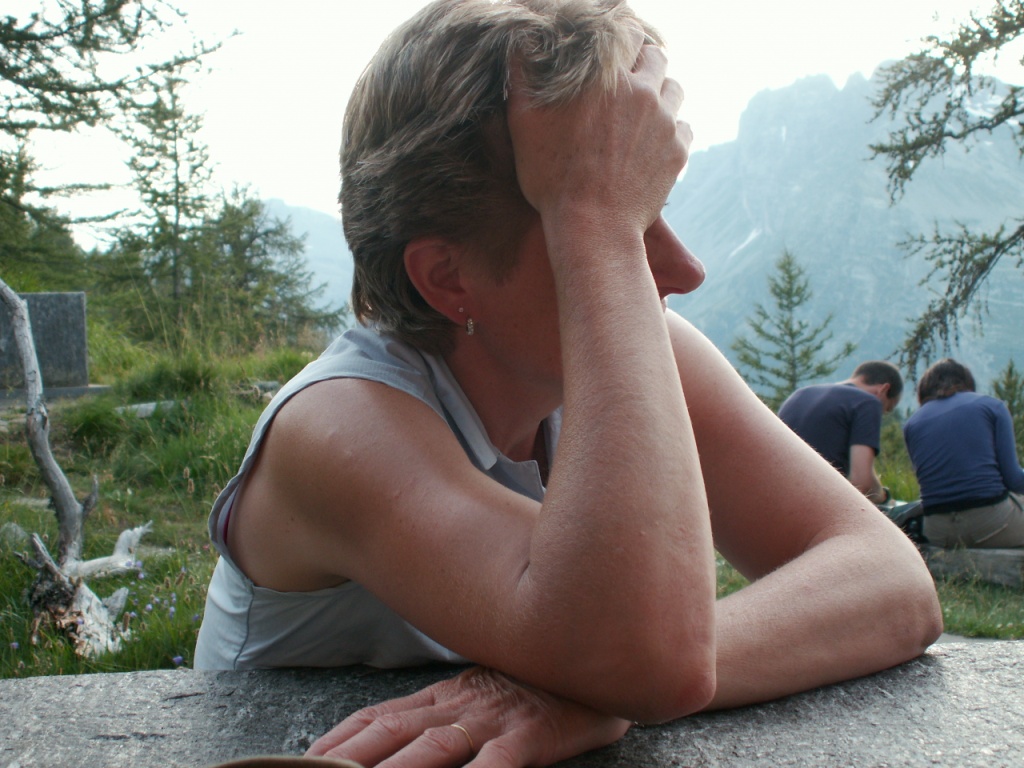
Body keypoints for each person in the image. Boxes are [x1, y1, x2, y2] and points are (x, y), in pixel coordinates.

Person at [194, 2, 942, 765]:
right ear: (448, 278)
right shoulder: (336, 427)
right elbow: (643, 656)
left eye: (645, 210)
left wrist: (584, 685)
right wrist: (619, 669)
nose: (685, 270)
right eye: (600, 219)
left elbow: (890, 579)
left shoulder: (634, 346)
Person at [903, 358, 1024, 548]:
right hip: (994, 524)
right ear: (966, 382)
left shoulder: (912, 423)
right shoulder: (991, 406)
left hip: (938, 533)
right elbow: (1014, 480)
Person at [777, 361, 904, 504]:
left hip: (774, 499)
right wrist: (885, 498)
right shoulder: (868, 402)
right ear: (884, 389)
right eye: (887, 409)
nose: (882, 414)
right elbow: (862, 484)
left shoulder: (799, 395)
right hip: (819, 504)